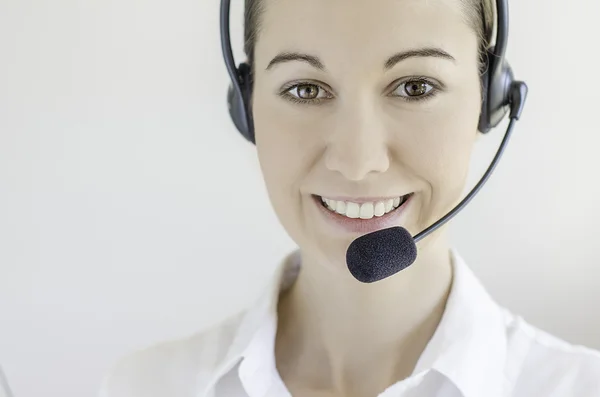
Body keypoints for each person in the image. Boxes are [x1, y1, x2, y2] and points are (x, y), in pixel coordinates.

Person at [99, 0, 600, 395]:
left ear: (490, 100)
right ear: (246, 109)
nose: (358, 161)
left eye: (415, 86)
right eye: (305, 90)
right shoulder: (143, 386)